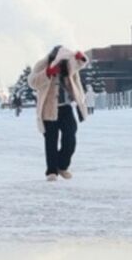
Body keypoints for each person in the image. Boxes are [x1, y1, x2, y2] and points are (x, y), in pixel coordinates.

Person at [29, 46, 89, 182]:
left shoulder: (68, 65)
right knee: (51, 141)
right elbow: (32, 82)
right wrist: (48, 73)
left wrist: (79, 57)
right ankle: (51, 171)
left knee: (70, 138)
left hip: (66, 108)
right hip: (48, 109)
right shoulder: (42, 64)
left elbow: (80, 65)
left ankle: (62, 166)